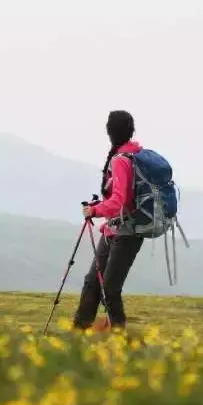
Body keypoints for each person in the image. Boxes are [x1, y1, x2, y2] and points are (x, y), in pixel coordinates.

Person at [73, 110, 144, 331]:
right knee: (92, 282)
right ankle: (77, 336)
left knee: (110, 289)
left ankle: (122, 341)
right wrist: (98, 208)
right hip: (113, 230)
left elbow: (120, 202)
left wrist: (95, 211)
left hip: (127, 233)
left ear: (110, 131)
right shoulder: (128, 155)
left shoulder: (122, 160)